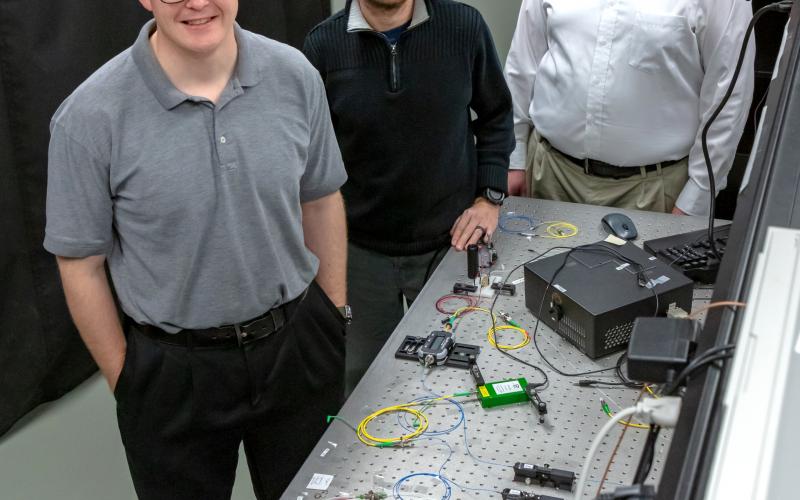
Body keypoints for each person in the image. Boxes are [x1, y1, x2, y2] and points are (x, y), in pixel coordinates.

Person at [44, 0, 348, 498]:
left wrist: (332, 315)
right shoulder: (89, 117)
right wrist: (128, 382)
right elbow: (80, 265)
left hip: (297, 350)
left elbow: (319, 197)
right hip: (172, 376)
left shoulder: (295, 75)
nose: (198, 3)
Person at [303, 0, 514, 393]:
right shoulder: (323, 47)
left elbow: (496, 116)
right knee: (362, 382)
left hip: (450, 246)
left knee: (454, 382)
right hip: (360, 255)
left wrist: (489, 198)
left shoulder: (464, 27)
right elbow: (309, 157)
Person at [505, 0, 754, 215]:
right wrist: (512, 159)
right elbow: (522, 64)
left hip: (654, 194)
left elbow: (729, 94)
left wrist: (697, 198)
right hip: (549, 176)